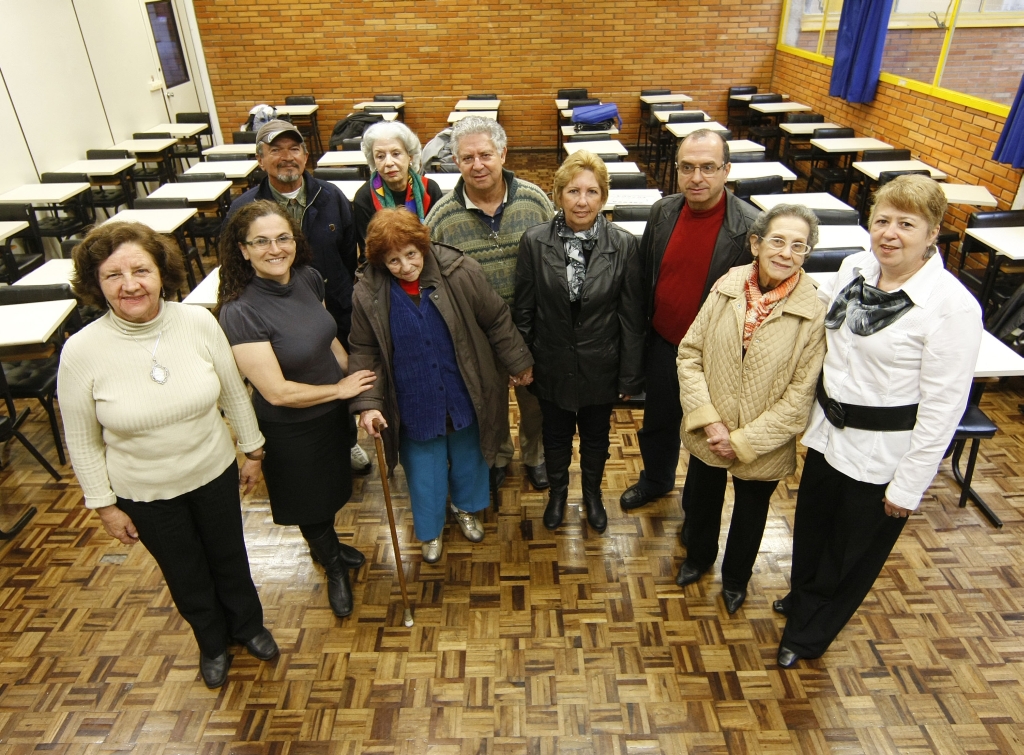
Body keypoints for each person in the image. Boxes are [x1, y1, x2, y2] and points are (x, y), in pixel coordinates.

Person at [57, 222, 278, 690]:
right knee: (185, 573)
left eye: (140, 269)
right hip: (144, 491)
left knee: (230, 558)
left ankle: (248, 627)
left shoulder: (198, 322)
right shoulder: (81, 351)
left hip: (213, 471)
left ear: (162, 272)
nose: (130, 284)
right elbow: (81, 438)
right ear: (97, 284)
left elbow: (233, 394)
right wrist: (103, 504)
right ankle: (212, 642)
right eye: (113, 275)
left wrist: (253, 448)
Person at [776, 175, 982, 668]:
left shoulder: (951, 308)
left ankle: (812, 633)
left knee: (851, 552)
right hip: (828, 433)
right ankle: (803, 596)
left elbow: (942, 410)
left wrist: (908, 487)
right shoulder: (856, 266)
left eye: (906, 224)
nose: (890, 233)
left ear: (933, 233)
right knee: (812, 528)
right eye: (882, 220)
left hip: (882, 454)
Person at [217, 201, 376, 620]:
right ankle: (334, 567)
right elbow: (277, 392)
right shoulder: (240, 310)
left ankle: (330, 546)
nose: (275, 249)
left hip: (330, 413)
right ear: (243, 249)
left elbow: (328, 338)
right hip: (291, 428)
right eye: (262, 242)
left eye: (283, 238)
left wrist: (353, 379)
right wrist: (339, 389)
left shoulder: (307, 277)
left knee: (331, 490)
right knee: (310, 502)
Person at [349, 209, 534, 563]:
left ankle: (466, 508)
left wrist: (518, 361)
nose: (405, 266)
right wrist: (369, 403)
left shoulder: (458, 271)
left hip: (463, 386)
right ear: (379, 261)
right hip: (412, 397)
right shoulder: (368, 292)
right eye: (393, 260)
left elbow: (495, 318)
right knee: (423, 468)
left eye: (411, 254)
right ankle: (430, 530)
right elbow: (364, 350)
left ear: (424, 246)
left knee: (469, 457)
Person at [674, 204, 826, 614]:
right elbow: (689, 354)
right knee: (702, 501)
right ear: (756, 244)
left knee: (751, 512)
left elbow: (800, 397)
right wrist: (710, 422)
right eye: (777, 241)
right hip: (711, 429)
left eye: (799, 246)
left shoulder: (814, 310)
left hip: (764, 442)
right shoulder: (728, 284)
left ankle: (737, 578)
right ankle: (699, 558)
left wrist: (741, 440)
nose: (786, 253)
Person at [620, 129, 760, 516]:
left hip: (717, 358)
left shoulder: (751, 227)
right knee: (658, 423)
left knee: (707, 437)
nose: (696, 177)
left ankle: (698, 514)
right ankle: (656, 480)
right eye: (687, 167)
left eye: (707, 167)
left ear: (726, 170)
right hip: (665, 344)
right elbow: (644, 274)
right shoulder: (663, 211)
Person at [227, 119, 371, 477]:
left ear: (307, 156)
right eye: (275, 150)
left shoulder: (331, 196)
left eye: (294, 149)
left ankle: (346, 440)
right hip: (276, 317)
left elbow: (349, 252)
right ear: (260, 160)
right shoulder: (243, 208)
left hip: (330, 305)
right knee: (305, 377)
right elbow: (233, 266)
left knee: (335, 370)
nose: (286, 157)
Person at [512, 151, 644, 533]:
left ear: (603, 197)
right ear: (557, 195)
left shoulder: (624, 245)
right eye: (573, 191)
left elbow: (632, 318)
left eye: (591, 192)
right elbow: (524, 309)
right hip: (550, 360)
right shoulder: (535, 242)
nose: (581, 201)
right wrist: (521, 362)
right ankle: (557, 495)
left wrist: (629, 377)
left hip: (601, 364)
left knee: (596, 438)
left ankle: (591, 495)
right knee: (554, 436)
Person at [425, 116, 555, 492]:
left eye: (485, 155)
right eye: (467, 158)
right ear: (456, 161)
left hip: (532, 330)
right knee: (489, 403)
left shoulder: (534, 200)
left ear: (503, 154)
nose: (477, 165)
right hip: (477, 335)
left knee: (535, 404)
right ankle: (498, 456)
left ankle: (536, 455)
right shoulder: (442, 218)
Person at [353, 121, 444, 253]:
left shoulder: (429, 189)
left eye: (396, 154)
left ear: (410, 156)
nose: (388, 162)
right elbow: (368, 250)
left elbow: (441, 242)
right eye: (380, 156)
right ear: (373, 161)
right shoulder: (365, 197)